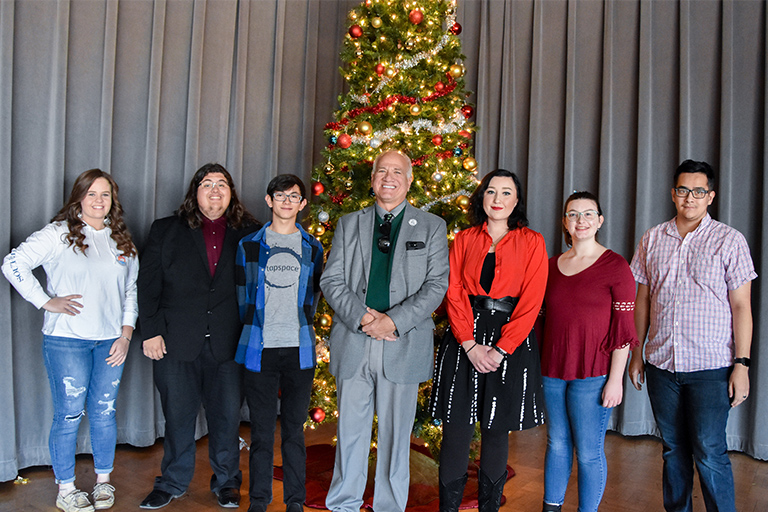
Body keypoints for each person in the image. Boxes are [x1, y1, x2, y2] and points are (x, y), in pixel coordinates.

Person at [320, 150, 449, 512]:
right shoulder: (349, 223)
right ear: (372, 178)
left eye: (397, 172)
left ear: (409, 181)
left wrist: (392, 321)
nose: (388, 177)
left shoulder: (432, 226)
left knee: (395, 438)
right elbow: (331, 280)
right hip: (354, 340)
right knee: (350, 434)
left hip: (402, 343)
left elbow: (437, 285)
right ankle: (344, 503)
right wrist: (364, 319)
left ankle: (389, 506)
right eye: (381, 171)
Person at [2, 169, 138, 512]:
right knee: (69, 415)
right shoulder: (58, 234)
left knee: (105, 412)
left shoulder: (121, 240)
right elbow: (13, 263)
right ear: (78, 197)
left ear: (113, 201)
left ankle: (103, 482)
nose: (98, 201)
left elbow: (130, 291)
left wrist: (126, 334)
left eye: (105, 194)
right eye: (91, 193)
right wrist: (45, 301)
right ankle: (66, 489)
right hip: (67, 342)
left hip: (110, 342)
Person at [628, 160, 756, 512]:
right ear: (673, 194)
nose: (690, 198)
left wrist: (741, 365)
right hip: (662, 363)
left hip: (711, 366)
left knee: (709, 449)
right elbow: (642, 300)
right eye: (683, 190)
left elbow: (742, 306)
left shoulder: (729, 240)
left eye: (699, 192)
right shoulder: (653, 238)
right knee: (672, 449)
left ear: (710, 196)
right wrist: (637, 353)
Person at [138, 163, 259, 510]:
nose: (216, 191)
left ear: (231, 193)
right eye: (208, 184)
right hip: (175, 343)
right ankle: (172, 482)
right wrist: (152, 332)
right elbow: (148, 285)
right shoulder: (166, 230)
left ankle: (226, 483)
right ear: (195, 192)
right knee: (177, 417)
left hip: (230, 343)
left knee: (226, 418)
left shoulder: (250, 232)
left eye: (223, 185)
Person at [430, 169, 548, 512]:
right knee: (456, 430)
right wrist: (468, 343)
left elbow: (531, 301)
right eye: (491, 192)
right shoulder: (464, 238)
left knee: (496, 431)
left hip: (509, 340)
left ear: (517, 200)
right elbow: (453, 292)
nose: (498, 200)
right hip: (463, 338)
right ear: (482, 198)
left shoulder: (532, 241)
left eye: (506, 193)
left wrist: (500, 349)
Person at [539, 191, 639, 512]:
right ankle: (551, 507)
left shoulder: (616, 266)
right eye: (572, 214)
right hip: (552, 371)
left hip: (594, 374)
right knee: (556, 443)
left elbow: (623, 331)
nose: (580, 220)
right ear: (564, 223)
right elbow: (541, 321)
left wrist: (616, 380)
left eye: (587, 214)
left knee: (589, 450)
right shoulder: (551, 267)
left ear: (599, 221)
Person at [235, 174, 323, 512]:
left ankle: (295, 502)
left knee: (293, 432)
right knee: (260, 432)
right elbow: (243, 299)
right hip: (260, 348)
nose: (287, 201)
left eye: (294, 196)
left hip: (298, 350)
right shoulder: (249, 246)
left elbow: (313, 297)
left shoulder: (313, 248)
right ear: (269, 200)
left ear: (302, 204)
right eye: (280, 195)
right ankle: (259, 501)